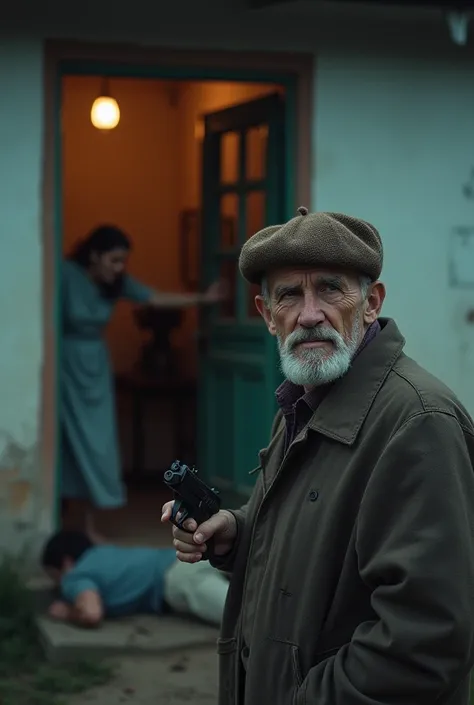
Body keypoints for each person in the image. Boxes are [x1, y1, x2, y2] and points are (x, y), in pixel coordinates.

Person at [162, 207, 474, 705]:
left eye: (330, 289)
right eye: (289, 294)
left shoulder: (418, 423)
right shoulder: (304, 398)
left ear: (371, 303)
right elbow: (319, 551)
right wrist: (236, 534)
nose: (310, 314)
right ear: (267, 315)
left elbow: (425, 640)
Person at [62, 224, 223, 539]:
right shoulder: (65, 275)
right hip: (63, 364)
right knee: (65, 444)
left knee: (98, 442)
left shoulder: (117, 283)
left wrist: (203, 299)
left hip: (94, 366)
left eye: (123, 261)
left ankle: (91, 526)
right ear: (94, 255)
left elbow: (154, 297)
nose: (120, 268)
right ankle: (65, 525)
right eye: (114, 260)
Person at [41, 530, 229, 628]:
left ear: (65, 563)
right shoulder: (104, 552)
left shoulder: (75, 575)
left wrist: (68, 613)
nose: (57, 584)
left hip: (177, 579)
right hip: (190, 559)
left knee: (245, 617)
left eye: (54, 576)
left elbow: (91, 614)